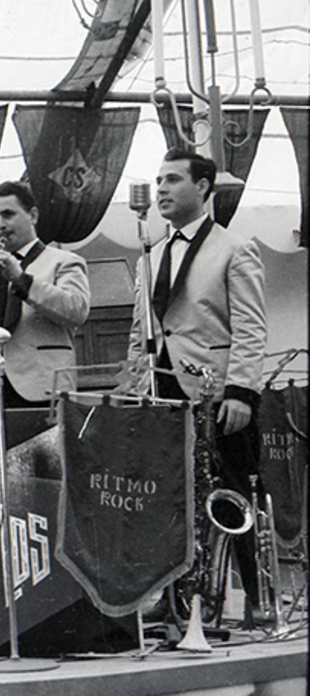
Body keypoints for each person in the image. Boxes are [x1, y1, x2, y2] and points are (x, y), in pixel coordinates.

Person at [128, 148, 267, 610]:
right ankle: (181, 599)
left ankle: (255, 598)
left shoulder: (234, 247)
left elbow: (250, 327)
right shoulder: (151, 253)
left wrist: (241, 392)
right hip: (162, 392)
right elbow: (140, 330)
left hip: (219, 394)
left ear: (203, 187)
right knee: (172, 498)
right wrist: (134, 390)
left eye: (172, 180)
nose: (162, 189)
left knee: (233, 497)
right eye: (159, 180)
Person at [0, 179, 90, 409]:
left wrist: (21, 279)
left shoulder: (65, 261)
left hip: (45, 387)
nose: (0, 224)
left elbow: (76, 311)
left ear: (33, 216)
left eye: (8, 214)